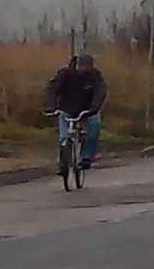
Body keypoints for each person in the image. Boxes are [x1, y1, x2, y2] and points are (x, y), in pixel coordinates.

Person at [44, 47, 108, 177]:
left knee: (94, 127)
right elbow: (53, 88)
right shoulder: (64, 74)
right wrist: (52, 106)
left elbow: (100, 91)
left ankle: (87, 157)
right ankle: (63, 165)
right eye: (82, 67)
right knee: (64, 137)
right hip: (66, 108)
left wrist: (94, 109)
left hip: (88, 109)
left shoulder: (95, 76)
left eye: (87, 68)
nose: (84, 70)